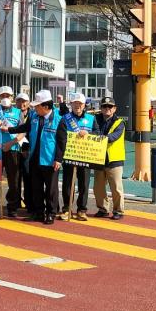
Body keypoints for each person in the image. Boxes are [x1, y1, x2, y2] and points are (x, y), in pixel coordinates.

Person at [3, 90, 67, 225]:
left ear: (45, 106)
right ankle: (38, 212)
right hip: (34, 158)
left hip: (50, 160)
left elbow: (62, 142)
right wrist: (8, 129)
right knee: (36, 188)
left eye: (37, 106)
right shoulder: (34, 117)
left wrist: (58, 159)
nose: (34, 108)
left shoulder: (58, 120)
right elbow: (23, 127)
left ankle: (51, 213)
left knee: (51, 189)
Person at [59, 93, 98, 221]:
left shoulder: (92, 119)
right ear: (71, 104)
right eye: (75, 103)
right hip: (69, 155)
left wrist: (88, 133)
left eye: (80, 103)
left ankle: (82, 210)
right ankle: (66, 209)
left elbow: (98, 134)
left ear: (84, 105)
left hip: (85, 156)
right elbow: (61, 136)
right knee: (68, 184)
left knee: (84, 184)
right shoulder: (65, 118)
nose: (78, 106)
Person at [0, 86, 23, 218]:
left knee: (13, 179)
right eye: (2, 96)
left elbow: (22, 131)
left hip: (12, 149)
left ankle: (12, 206)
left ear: (12, 98)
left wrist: (11, 143)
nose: (5, 98)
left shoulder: (18, 113)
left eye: (8, 96)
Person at [93, 96, 126, 220]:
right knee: (98, 188)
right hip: (98, 158)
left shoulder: (120, 122)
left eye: (110, 106)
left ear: (114, 108)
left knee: (116, 188)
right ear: (100, 108)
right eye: (104, 106)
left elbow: (114, 137)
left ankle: (119, 211)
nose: (107, 108)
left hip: (114, 160)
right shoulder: (94, 120)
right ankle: (103, 209)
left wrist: (98, 138)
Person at [14, 92, 33, 215]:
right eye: (19, 101)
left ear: (29, 103)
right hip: (14, 149)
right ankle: (15, 202)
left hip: (28, 149)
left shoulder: (34, 115)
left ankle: (29, 202)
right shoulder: (12, 115)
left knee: (28, 176)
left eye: (24, 101)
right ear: (16, 102)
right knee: (15, 177)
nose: (22, 103)